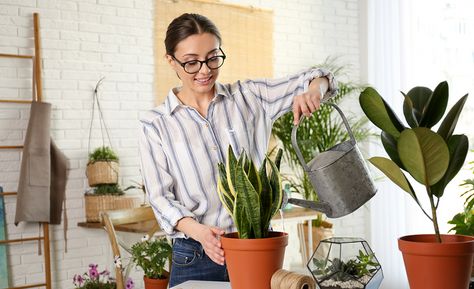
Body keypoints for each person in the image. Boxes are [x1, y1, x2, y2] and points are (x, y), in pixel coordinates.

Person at [138, 13, 337, 287]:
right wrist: (199, 232)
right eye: (191, 62)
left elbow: (320, 76)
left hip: (256, 248)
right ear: (171, 60)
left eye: (212, 58)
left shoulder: (250, 97)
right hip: (196, 255)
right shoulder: (156, 125)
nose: (205, 70)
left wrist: (314, 91)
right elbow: (160, 198)